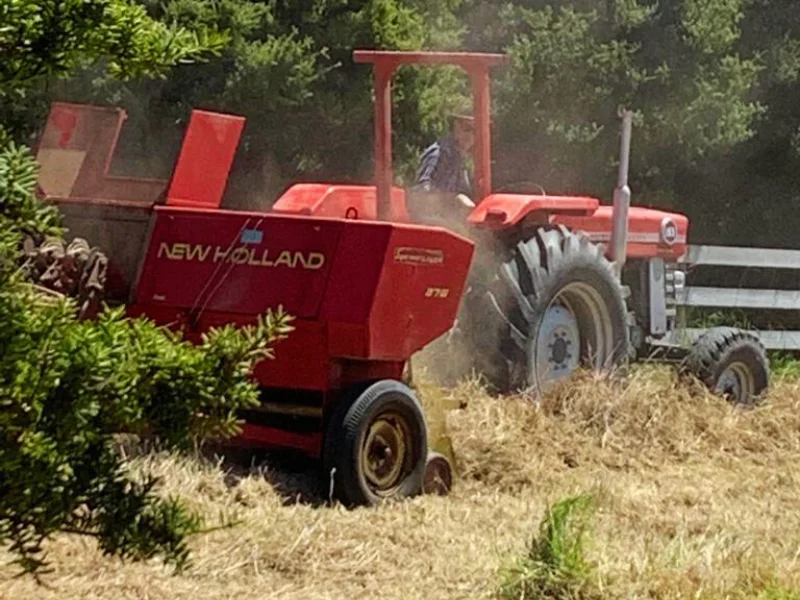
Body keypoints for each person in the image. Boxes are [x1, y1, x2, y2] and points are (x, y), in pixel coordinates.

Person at [411, 111, 476, 217]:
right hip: (433, 222)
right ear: (455, 127)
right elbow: (421, 190)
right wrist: (454, 199)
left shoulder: (461, 159)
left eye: (476, 131)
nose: (472, 136)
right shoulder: (438, 153)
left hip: (452, 219)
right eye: (467, 129)